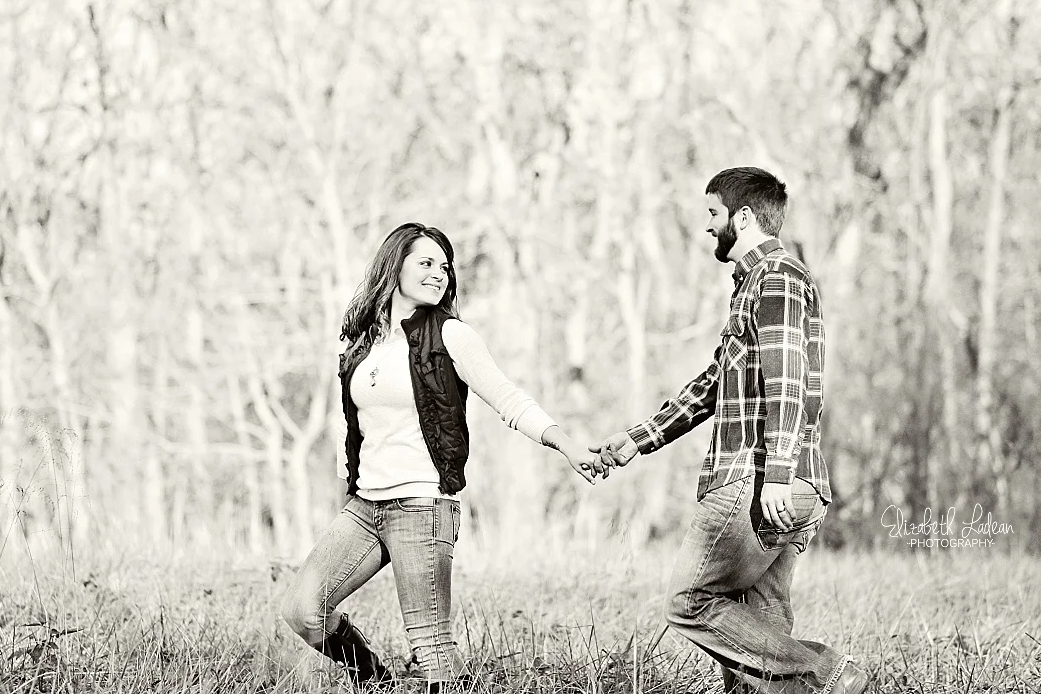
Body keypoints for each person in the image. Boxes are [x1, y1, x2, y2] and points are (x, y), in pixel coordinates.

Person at [281, 222, 603, 692]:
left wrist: (567, 444)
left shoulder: (451, 335)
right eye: (427, 263)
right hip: (365, 506)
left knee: (432, 650)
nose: (439, 274)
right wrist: (345, 485)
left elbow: (508, 398)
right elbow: (346, 422)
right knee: (303, 610)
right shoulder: (359, 341)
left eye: (445, 267)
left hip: (423, 506)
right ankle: (375, 681)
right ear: (395, 266)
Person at [593, 167, 868, 694]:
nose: (707, 226)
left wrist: (778, 474)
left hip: (759, 477)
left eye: (712, 213)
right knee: (760, 633)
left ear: (742, 218)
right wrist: (637, 440)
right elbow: (716, 384)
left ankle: (828, 672)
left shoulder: (777, 277)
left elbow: (787, 383)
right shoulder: (754, 284)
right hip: (783, 480)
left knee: (691, 602)